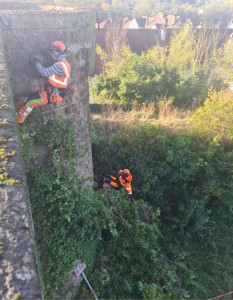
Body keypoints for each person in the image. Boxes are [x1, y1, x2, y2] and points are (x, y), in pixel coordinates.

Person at [17, 41, 70, 123]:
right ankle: (17, 107)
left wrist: (36, 62)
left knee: (31, 101)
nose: (51, 53)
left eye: (52, 51)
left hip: (54, 93)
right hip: (50, 89)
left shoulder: (59, 65)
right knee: (30, 97)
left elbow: (43, 72)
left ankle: (19, 119)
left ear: (57, 51)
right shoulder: (64, 63)